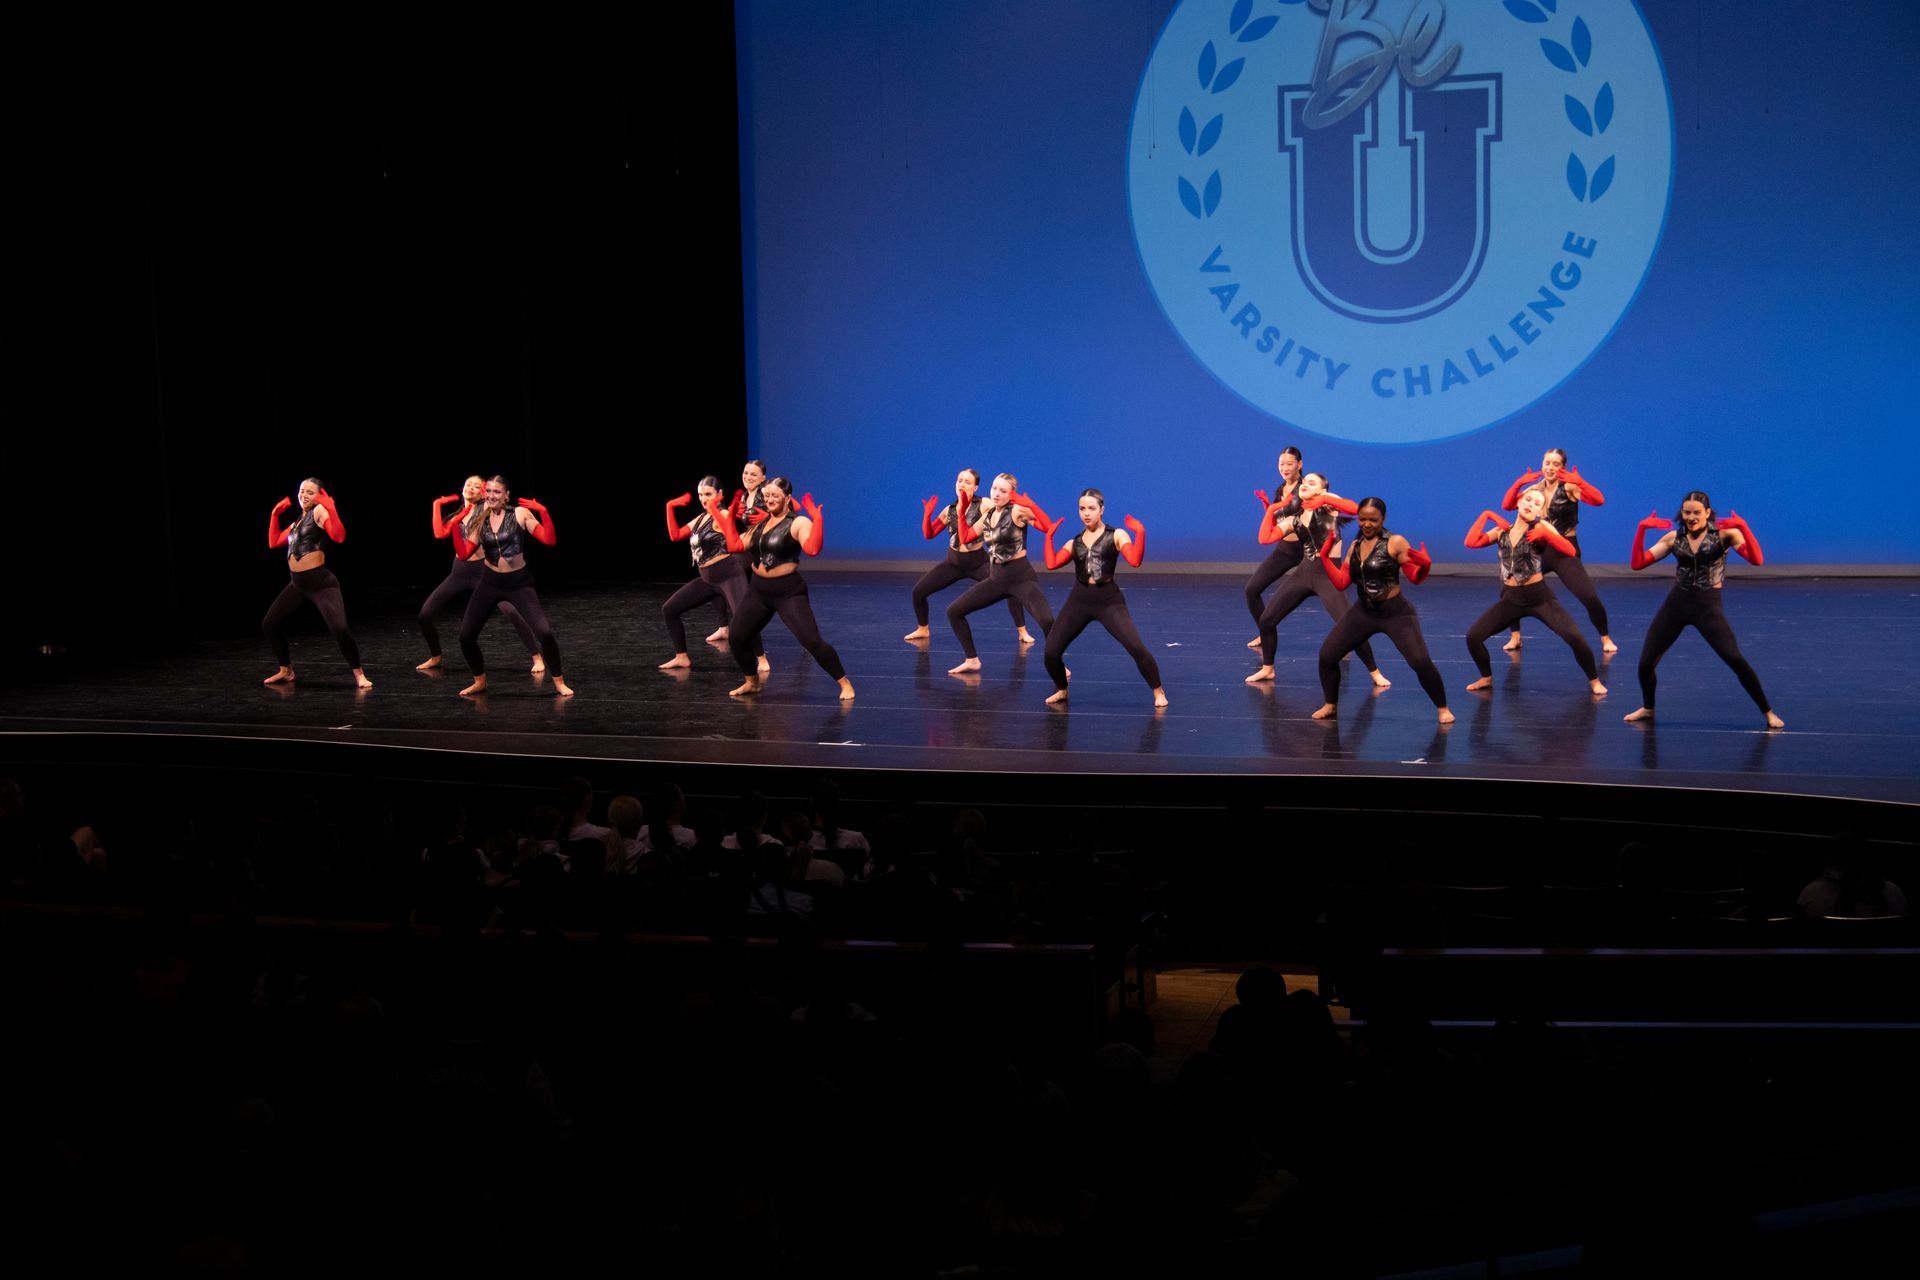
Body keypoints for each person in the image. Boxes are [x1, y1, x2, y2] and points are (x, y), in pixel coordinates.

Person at [1622, 492, 1782, 728]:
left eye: (1697, 512)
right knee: (1646, 663)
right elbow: (1637, 564)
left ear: (1707, 513)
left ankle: (1768, 712)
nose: (1691, 517)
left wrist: (1744, 527)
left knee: (1735, 659)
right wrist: (1641, 529)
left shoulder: (1726, 535)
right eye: (1687, 512)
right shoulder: (1673, 538)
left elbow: (1756, 560)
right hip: (1676, 604)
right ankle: (1648, 708)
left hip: (1708, 607)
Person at [714, 477, 856, 701]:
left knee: (812, 642)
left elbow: (812, 549)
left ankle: (844, 682)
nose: (769, 500)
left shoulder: (798, 522)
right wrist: (726, 515)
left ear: (787, 498)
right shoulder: (761, 524)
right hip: (758, 590)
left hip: (787, 591)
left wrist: (817, 519)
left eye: (775, 496)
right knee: (737, 638)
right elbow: (735, 545)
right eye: (767, 496)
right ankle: (752, 681)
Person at [1243, 473, 1390, 689]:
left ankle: (1375, 672)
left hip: (1328, 575)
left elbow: (1354, 509)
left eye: (1311, 483)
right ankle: (1268, 668)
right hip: (1305, 573)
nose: (1304, 484)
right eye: (1304, 482)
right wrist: (1272, 510)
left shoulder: (1329, 507)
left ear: (1322, 490)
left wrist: (1325, 499)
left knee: (1350, 625)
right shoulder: (1295, 518)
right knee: (1266, 620)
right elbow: (1265, 538)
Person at [1312, 498, 1451, 724]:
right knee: (1327, 656)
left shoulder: (1395, 542)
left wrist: (1425, 565)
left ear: (1383, 520)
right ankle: (1331, 705)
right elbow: (1341, 582)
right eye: (1362, 519)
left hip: (1395, 613)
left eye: (1373, 520)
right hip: (1364, 612)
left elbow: (1415, 578)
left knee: (1420, 662)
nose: (1366, 524)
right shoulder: (1355, 546)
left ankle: (1443, 708)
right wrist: (1326, 557)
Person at [1462, 491, 1607, 696]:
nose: (1531, 504)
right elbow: (1471, 542)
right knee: (1473, 637)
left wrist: (1546, 535)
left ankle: (1594, 680)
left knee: (1575, 637)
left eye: (1537, 503)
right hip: (1511, 600)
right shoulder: (1502, 531)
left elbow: (1570, 551)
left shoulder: (1540, 527)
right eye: (1528, 499)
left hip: (1539, 598)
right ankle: (1486, 677)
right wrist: (1487, 515)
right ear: (1519, 502)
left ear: (1540, 511)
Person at [1039, 489, 1168, 707]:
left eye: (1091, 508)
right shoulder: (1075, 542)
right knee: (1051, 652)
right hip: (1079, 599)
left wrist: (1140, 533)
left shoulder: (1116, 535)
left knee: (1135, 647)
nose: (1086, 513)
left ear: (1102, 509)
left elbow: (1135, 561)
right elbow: (1051, 563)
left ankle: (1158, 691)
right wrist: (1049, 537)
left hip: (1108, 599)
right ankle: (1062, 689)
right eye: (1082, 508)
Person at [455, 476, 573, 697]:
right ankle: (479, 681)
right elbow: (463, 554)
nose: (491, 495)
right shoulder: (480, 520)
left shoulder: (519, 514)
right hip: (490, 582)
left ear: (506, 495)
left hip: (518, 583)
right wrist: (454, 525)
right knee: (466, 636)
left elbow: (549, 540)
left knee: (545, 634)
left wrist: (543, 512)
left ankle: (558, 681)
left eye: (497, 492)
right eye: (488, 491)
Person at [417, 474, 544, 673]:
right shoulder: (456, 516)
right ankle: (436, 656)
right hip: (458, 572)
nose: (471, 488)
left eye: (477, 486)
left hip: (484, 573)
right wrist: (436, 504)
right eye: (468, 484)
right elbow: (440, 533)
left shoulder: (485, 510)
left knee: (510, 611)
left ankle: (536, 657)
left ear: (483, 492)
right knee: (425, 614)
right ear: (462, 489)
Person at [1497, 449, 1617, 654]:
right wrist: (1519, 483)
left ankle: (1606, 639)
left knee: (1588, 596)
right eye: (1547, 463)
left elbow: (1599, 500)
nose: (1550, 467)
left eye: (1555, 464)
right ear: (1542, 464)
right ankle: (1515, 637)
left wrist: (1581, 482)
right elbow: (1507, 506)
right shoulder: (1535, 489)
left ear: (1563, 467)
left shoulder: (1570, 487)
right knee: (1507, 590)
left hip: (1564, 549)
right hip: (1539, 547)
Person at [903, 468, 1034, 646]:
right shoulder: (950, 510)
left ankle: (1022, 631)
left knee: (1008, 589)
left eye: (967, 482)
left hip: (978, 563)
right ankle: (923, 628)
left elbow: (1004, 507)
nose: (962, 484)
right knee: (918, 591)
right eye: (959, 481)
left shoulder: (984, 504)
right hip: (953, 563)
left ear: (976, 487)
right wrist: (927, 514)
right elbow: (929, 534)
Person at [262, 477, 372, 689]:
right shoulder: (297, 522)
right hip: (298, 584)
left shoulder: (319, 511)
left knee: (340, 629)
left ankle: (359, 674)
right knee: (269, 624)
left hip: (321, 583)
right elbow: (274, 542)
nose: (304, 495)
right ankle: (286, 670)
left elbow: (339, 537)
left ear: (320, 496)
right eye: (302, 491)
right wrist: (274, 515)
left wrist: (331, 508)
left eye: (310, 492)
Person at [943, 473, 1056, 675]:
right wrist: (961, 512)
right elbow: (966, 537)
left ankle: (1058, 663)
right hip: (996, 579)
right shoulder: (987, 516)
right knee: (954, 611)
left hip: (1021, 578)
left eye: (1003, 491)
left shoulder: (1018, 512)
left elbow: (1047, 527)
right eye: (994, 488)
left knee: (1047, 621)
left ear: (1011, 494)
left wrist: (1030, 503)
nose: (996, 493)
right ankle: (972, 660)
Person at [659, 475, 768, 674]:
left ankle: (761, 658)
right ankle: (681, 656)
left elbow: (730, 535)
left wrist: (715, 509)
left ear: (719, 495)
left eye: (708, 494)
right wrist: (670, 506)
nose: (703, 498)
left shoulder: (724, 514)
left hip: (729, 576)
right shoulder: (701, 519)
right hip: (708, 579)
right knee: (669, 609)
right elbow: (675, 535)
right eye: (700, 495)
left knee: (744, 617)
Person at [1243, 447, 1306, 646]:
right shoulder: (1281, 489)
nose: (1285, 468)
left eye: (1289, 463)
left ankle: (1349, 642)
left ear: (1299, 464)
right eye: (1281, 464)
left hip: (1307, 552)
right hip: (1285, 550)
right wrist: (1267, 506)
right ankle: (1265, 632)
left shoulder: (1306, 488)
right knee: (1251, 590)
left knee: (1333, 601)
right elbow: (1275, 524)